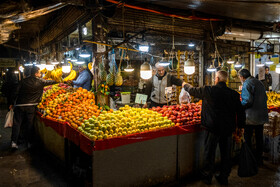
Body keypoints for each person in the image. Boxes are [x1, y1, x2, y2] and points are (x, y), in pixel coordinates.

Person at [183, 70, 245, 185]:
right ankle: (224, 176)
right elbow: (240, 112)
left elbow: (192, 91)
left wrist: (185, 85)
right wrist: (241, 126)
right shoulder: (234, 94)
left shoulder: (208, 90)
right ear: (226, 80)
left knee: (209, 153)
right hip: (227, 129)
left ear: (216, 78)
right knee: (226, 154)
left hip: (212, 128)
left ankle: (207, 177)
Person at [10, 66, 56, 149]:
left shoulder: (23, 81)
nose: (41, 74)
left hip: (20, 105)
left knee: (17, 124)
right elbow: (51, 82)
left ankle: (14, 142)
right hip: (31, 106)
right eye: (39, 72)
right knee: (29, 124)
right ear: (36, 73)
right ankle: (29, 142)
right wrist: (60, 81)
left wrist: (11, 103)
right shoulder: (41, 81)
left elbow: (15, 92)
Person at [238, 68, 268, 166]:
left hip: (251, 117)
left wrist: (238, 106)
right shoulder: (259, 83)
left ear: (242, 77)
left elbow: (247, 101)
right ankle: (259, 160)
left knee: (248, 138)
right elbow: (265, 97)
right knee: (259, 138)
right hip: (261, 116)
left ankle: (249, 161)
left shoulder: (247, 83)